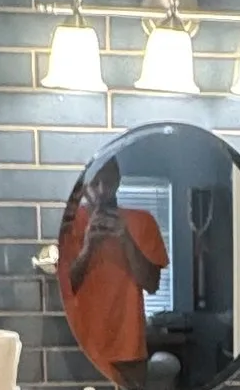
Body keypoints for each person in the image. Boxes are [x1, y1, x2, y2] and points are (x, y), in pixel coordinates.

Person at [59, 157, 166, 378]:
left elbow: (152, 284)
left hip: (128, 348)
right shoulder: (67, 223)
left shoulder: (143, 221)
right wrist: (89, 247)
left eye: (106, 182)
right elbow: (64, 289)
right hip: (81, 346)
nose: (101, 191)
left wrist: (126, 239)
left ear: (118, 179)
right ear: (85, 184)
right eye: (94, 184)